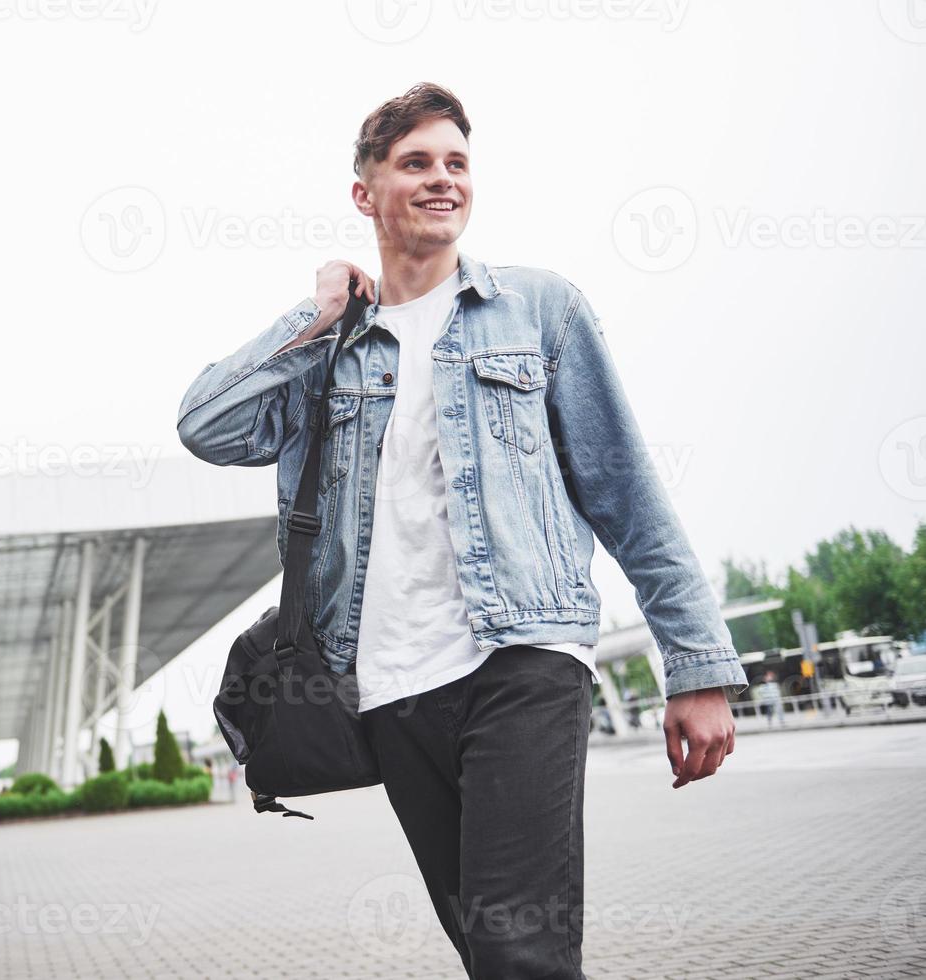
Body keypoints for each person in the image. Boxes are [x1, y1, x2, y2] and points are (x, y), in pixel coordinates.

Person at [176, 83, 750, 979]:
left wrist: (698, 665)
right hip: (390, 687)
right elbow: (204, 427)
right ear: (364, 193)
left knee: (519, 947)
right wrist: (314, 314)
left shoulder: (538, 311)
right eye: (415, 163)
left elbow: (627, 494)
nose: (442, 180)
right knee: (490, 950)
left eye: (455, 163)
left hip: (524, 660)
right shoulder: (325, 353)